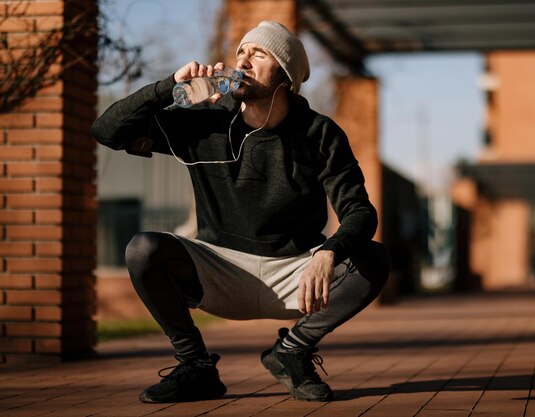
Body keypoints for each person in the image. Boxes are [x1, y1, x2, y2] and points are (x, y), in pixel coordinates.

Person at [91, 21, 389, 403]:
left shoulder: (319, 133)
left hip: (293, 273)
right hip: (219, 269)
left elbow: (359, 211)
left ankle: (291, 352)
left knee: (373, 258)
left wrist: (329, 251)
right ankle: (195, 367)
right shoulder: (203, 125)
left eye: (258, 54)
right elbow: (106, 130)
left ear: (285, 74)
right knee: (143, 249)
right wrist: (170, 85)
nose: (243, 60)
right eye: (241, 53)